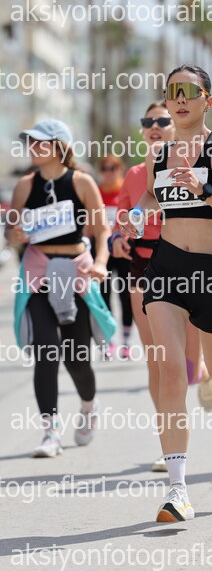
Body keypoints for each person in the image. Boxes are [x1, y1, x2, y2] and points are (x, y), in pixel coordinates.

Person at [120, 65, 212, 522]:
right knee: (171, 372)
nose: (179, 99)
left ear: (207, 100)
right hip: (166, 269)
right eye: (172, 91)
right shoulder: (159, 153)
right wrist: (136, 217)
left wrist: (207, 190)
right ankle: (177, 490)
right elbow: (151, 198)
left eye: (188, 91)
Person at [110, 100, 212, 473]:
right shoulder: (134, 174)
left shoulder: (198, 163)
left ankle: (202, 373)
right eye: (148, 121)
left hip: (189, 264)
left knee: (187, 362)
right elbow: (121, 218)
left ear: (177, 126)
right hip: (143, 266)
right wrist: (117, 239)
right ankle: (168, 445)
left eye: (162, 120)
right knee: (157, 359)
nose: (154, 126)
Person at [6, 118, 115, 457]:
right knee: (46, 352)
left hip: (75, 272)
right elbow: (11, 232)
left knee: (76, 359)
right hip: (38, 272)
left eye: (40, 142)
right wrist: (14, 235)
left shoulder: (81, 182)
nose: (33, 147)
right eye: (30, 141)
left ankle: (88, 406)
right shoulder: (25, 184)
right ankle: (50, 432)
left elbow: (102, 230)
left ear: (59, 146)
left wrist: (100, 262)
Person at [95, 155, 133, 358]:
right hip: (103, 251)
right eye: (105, 168)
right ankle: (109, 340)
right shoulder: (96, 192)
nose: (109, 172)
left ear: (120, 169)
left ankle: (126, 341)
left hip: (125, 248)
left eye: (113, 168)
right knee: (104, 294)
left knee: (126, 295)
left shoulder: (126, 189)